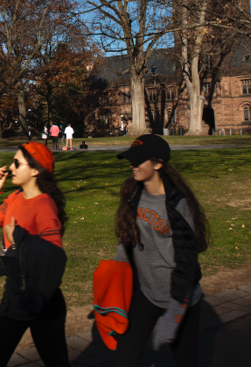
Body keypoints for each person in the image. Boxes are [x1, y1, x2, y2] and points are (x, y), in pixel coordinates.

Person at [111, 135, 209, 367]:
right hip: (147, 291)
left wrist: (176, 308)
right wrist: (116, 274)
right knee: (125, 358)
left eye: (139, 160)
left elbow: (187, 259)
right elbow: (128, 237)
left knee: (186, 361)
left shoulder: (177, 204)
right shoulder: (134, 193)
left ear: (158, 164)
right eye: (131, 160)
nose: (132, 165)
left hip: (179, 295)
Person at [0, 142, 70, 367]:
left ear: (35, 170)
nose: (11, 167)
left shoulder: (44, 207)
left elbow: (54, 260)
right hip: (17, 292)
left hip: (41, 299)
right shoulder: (15, 198)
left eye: (17, 163)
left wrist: (18, 238)